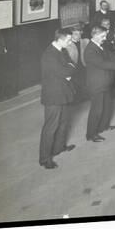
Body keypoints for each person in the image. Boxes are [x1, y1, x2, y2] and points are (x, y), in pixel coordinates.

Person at [84, 26, 115, 142]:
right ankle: (91, 134)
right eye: (102, 36)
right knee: (97, 110)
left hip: (105, 82)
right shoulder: (90, 50)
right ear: (94, 35)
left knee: (107, 106)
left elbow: (110, 56)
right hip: (97, 85)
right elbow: (102, 63)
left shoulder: (100, 46)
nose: (104, 38)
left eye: (104, 36)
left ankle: (103, 126)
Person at [39, 29, 76, 169]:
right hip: (53, 96)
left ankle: (58, 148)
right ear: (59, 39)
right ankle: (44, 158)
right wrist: (69, 69)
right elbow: (67, 70)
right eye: (68, 40)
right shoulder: (49, 55)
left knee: (64, 122)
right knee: (51, 127)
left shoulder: (62, 50)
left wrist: (69, 69)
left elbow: (71, 65)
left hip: (64, 92)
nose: (70, 42)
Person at [63, 24, 89, 102]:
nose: (78, 36)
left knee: (85, 81)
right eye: (75, 34)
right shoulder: (67, 45)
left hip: (84, 66)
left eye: (79, 33)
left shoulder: (85, 41)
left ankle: (86, 96)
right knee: (76, 84)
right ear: (71, 35)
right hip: (74, 67)